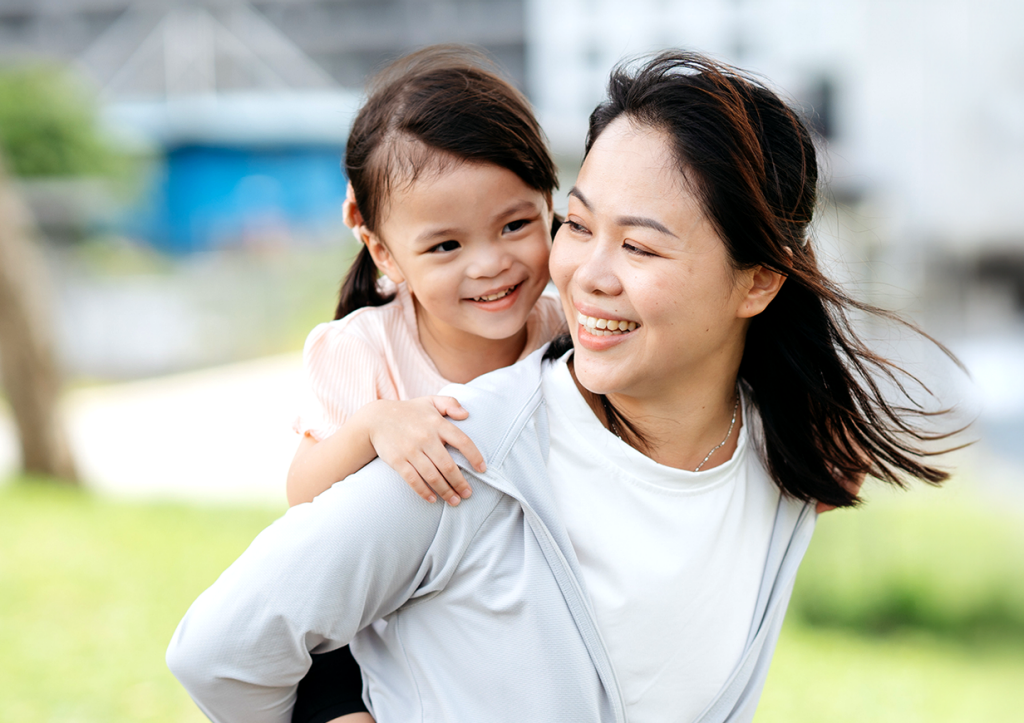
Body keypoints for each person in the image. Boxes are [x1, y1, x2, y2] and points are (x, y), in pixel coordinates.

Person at [168, 51, 955, 723]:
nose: (585, 275)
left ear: (758, 282)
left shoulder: (776, 454)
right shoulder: (452, 452)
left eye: (637, 246)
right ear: (380, 244)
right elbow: (222, 648)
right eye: (580, 227)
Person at [281, 46, 566, 723]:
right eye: (446, 246)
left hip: (513, 628)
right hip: (369, 636)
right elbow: (302, 498)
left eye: (516, 224)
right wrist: (373, 426)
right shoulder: (360, 349)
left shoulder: (570, 332)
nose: (492, 264)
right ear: (384, 251)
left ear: (550, 202)